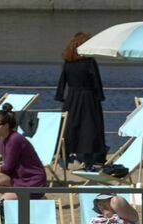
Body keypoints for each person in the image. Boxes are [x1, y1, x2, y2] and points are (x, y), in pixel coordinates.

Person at [57, 33, 108, 169]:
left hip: (72, 98)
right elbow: (97, 82)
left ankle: (65, 157)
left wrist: (61, 96)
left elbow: (62, 82)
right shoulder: (90, 62)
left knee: (69, 128)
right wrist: (100, 96)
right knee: (89, 129)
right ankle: (88, 161)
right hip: (88, 98)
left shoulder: (68, 63)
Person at [0, 108, 47, 198]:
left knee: (1, 203)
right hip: (19, 177)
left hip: (33, 182)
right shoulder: (1, 139)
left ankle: (26, 198)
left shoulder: (14, 139)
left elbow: (6, 168)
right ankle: (16, 199)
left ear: (6, 125)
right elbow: (7, 166)